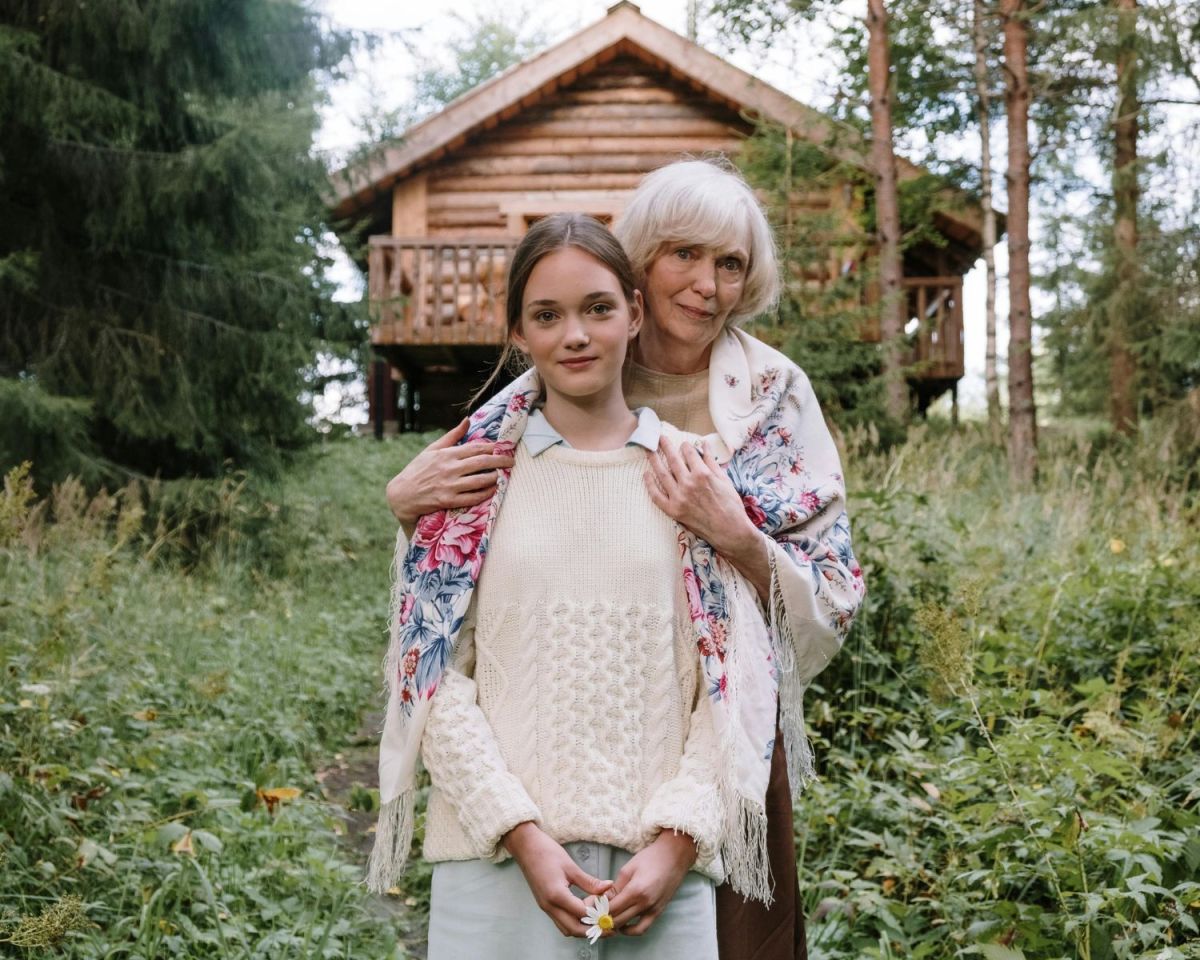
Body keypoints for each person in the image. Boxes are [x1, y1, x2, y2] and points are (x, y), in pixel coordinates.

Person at [383, 160, 867, 960]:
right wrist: (403, 504)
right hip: (540, 754)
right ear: (640, 267)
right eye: (684, 254)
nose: (707, 284)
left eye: (730, 263)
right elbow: (443, 582)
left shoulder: (772, 396)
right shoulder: (552, 383)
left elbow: (833, 593)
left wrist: (736, 535)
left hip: (714, 730)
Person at [369, 213, 754, 958]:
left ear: (635, 314)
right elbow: (431, 672)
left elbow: (732, 681)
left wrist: (680, 839)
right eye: (547, 315)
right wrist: (521, 834)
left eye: (598, 308)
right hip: (497, 866)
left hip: (659, 878)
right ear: (519, 331)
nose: (575, 335)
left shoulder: (693, 477)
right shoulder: (472, 479)